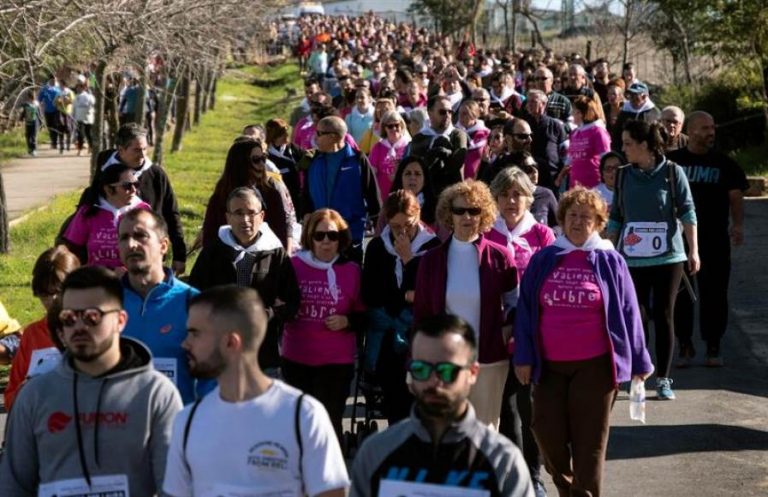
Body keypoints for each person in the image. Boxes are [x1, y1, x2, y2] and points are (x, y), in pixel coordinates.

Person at [514, 187, 654, 497]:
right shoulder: (545, 258)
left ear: (599, 222)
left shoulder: (609, 260)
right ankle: (567, 488)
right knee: (546, 431)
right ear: (561, 219)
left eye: (586, 217)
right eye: (572, 216)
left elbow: (630, 311)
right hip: (548, 365)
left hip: (596, 366)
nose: (578, 222)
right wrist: (523, 356)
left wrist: (640, 361)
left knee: (589, 442)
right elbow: (525, 309)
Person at [0, 265, 182, 496]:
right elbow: (13, 485)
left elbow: (174, 488)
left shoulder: (156, 394)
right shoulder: (35, 395)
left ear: (121, 320)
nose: (79, 327)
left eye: (92, 317)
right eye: (69, 317)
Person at [163, 285, 349, 497]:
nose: (185, 344)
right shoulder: (187, 420)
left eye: (195, 334)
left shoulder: (303, 415)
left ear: (231, 342)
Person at [350, 314, 534, 497]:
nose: (434, 382)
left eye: (446, 371)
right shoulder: (376, 454)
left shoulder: (503, 461)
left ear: (472, 372)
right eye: (421, 369)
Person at [608, 120, 699, 400]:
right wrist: (609, 252)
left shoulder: (673, 173)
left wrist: (694, 250)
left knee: (663, 314)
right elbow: (616, 217)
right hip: (632, 259)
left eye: (628, 144)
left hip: (668, 257)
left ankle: (663, 379)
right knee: (637, 316)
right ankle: (638, 373)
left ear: (645, 145)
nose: (623, 149)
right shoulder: (623, 176)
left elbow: (687, 211)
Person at [414, 180, 517, 428]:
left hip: (489, 359)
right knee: (443, 429)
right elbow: (422, 314)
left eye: (474, 210)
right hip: (444, 360)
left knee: (484, 430)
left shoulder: (500, 255)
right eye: (460, 210)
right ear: (449, 214)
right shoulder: (431, 260)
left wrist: (505, 332)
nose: (467, 217)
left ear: (484, 214)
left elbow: (515, 303)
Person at [487, 167, 555, 496]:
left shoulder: (542, 235)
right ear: (496, 199)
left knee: (531, 409)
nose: (512, 201)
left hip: (532, 332)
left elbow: (550, 284)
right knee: (505, 408)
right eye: (505, 194)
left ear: (529, 198)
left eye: (518, 194)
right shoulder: (487, 233)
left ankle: (534, 476)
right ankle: (513, 477)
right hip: (497, 333)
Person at [668, 111, 749, 367]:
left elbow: (736, 196)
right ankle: (684, 344)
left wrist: (737, 225)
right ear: (690, 131)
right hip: (678, 241)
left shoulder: (724, 163)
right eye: (705, 128)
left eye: (713, 127)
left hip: (714, 240)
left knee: (715, 293)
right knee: (680, 294)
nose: (711, 132)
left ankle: (713, 344)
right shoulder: (673, 162)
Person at [190, 187, 300, 374]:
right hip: (220, 351)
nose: (245, 220)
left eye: (251, 213)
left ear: (262, 215)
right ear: (228, 217)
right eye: (238, 213)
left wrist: (266, 314)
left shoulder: (275, 253)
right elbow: (195, 295)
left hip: (262, 353)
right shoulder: (214, 251)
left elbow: (293, 302)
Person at [281, 209, 366, 438]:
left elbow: (365, 315)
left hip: (336, 362)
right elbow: (279, 305)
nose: (326, 241)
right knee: (298, 424)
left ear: (341, 239)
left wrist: (346, 320)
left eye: (332, 236)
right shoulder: (293, 265)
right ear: (310, 237)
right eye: (320, 236)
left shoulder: (352, 270)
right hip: (297, 358)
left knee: (328, 424)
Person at [118, 208, 212, 404]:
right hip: (119, 428)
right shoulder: (108, 302)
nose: (131, 244)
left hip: (177, 426)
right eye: (124, 237)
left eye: (140, 235)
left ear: (163, 246)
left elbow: (211, 380)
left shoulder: (192, 302)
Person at [362, 190, 440, 423]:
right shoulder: (378, 247)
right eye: (396, 226)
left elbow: (431, 293)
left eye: (408, 225)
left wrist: (408, 260)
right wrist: (406, 296)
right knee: (394, 401)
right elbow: (371, 293)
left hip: (421, 332)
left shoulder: (433, 246)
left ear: (418, 217)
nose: (402, 232)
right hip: (388, 334)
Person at [95, 123, 187, 274]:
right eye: (137, 150)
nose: (142, 155)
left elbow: (171, 213)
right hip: (108, 259)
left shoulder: (156, 175)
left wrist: (179, 254)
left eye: (145, 149)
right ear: (121, 149)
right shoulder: (104, 166)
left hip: (148, 252)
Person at [4, 246, 80, 412]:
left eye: (58, 292)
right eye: (45, 294)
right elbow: (10, 398)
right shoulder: (32, 334)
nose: (52, 300)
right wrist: (25, 391)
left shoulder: (96, 330)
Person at [302, 116, 381, 262]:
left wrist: (379, 230)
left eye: (319, 133)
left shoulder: (358, 160)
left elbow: (373, 196)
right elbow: (306, 195)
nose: (315, 137)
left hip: (349, 235)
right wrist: (307, 215)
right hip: (320, 237)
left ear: (333, 137)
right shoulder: (312, 160)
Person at [202, 139, 296, 252]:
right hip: (227, 260)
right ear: (241, 162)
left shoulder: (271, 192)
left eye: (263, 158)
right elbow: (209, 237)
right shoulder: (220, 197)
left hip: (264, 260)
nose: (262, 164)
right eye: (256, 160)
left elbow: (280, 232)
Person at [62, 163, 149, 269]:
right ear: (108, 189)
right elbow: (72, 250)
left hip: (136, 281)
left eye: (136, 184)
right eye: (127, 186)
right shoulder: (88, 212)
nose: (134, 190)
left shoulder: (144, 211)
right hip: (97, 281)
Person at [408, 95, 468, 195]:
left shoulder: (458, 134)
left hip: (452, 194)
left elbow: (456, 164)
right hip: (426, 194)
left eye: (450, 112)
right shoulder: (420, 137)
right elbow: (418, 167)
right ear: (430, 113)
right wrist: (435, 152)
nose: (447, 115)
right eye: (442, 112)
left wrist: (442, 152)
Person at [522, 90, 568, 192]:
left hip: (551, 178)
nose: (529, 105)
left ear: (543, 104)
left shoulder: (555, 125)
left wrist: (559, 178)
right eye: (528, 101)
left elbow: (565, 155)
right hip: (529, 177)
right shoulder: (524, 125)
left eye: (533, 101)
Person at [566, 95, 611, 189]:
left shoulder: (598, 131)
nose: (572, 115)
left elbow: (606, 158)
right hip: (575, 185)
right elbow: (569, 160)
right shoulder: (574, 133)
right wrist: (560, 177)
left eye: (574, 112)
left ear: (581, 114)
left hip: (595, 184)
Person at [369, 110, 411, 201]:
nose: (394, 129)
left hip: (404, 195)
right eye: (390, 126)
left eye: (397, 125)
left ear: (402, 126)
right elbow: (372, 174)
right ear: (384, 128)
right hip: (383, 196)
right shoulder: (378, 147)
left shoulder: (409, 146)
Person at [266, 118, 305, 216]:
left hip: (295, 197)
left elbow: (307, 157)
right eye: (282, 133)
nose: (286, 136)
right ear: (273, 136)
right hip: (275, 198)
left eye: (286, 132)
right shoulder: (265, 153)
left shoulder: (292, 149)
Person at [610, 81, 661, 151]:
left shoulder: (654, 113)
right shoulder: (624, 112)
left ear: (644, 96)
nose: (633, 99)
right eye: (631, 96)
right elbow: (616, 136)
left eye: (636, 96)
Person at [389, 155, 438, 227]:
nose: (412, 178)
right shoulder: (389, 205)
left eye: (417, 174)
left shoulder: (438, 208)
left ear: (425, 181)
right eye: (408, 173)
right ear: (400, 178)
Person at [457, 99, 491, 180]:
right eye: (459, 113)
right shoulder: (455, 133)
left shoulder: (487, 134)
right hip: (458, 180)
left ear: (474, 115)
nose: (460, 117)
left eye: (465, 113)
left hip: (479, 179)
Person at [38, 75, 61, 149]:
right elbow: (39, 99)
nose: (54, 82)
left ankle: (55, 142)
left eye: (55, 80)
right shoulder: (45, 89)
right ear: (50, 80)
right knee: (50, 126)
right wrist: (40, 106)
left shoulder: (58, 89)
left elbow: (62, 99)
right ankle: (52, 141)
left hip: (56, 111)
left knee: (55, 126)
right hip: (47, 111)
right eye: (53, 80)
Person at [73, 83, 96, 156]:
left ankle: (91, 148)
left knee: (89, 133)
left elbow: (92, 104)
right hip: (79, 117)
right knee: (80, 134)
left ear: (83, 88)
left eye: (79, 87)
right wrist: (73, 116)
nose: (78, 89)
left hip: (88, 117)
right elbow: (74, 107)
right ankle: (80, 149)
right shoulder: (76, 97)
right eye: (77, 88)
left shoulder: (89, 96)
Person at [19, 90, 41, 156]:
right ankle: (30, 149)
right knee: (29, 136)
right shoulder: (26, 104)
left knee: (32, 136)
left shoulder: (36, 104)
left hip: (34, 122)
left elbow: (39, 114)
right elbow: (23, 113)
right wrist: (21, 119)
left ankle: (33, 149)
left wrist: (41, 122)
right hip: (30, 122)